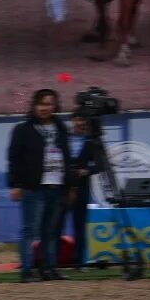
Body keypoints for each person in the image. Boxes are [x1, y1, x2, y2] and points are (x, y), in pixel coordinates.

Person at [7, 89, 74, 282]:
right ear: (34, 105)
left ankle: (49, 268)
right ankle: (27, 271)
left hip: (56, 186)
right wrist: (15, 184)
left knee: (51, 231)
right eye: (41, 104)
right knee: (30, 229)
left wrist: (70, 186)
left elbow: (68, 158)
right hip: (32, 187)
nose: (45, 108)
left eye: (49, 104)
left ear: (55, 106)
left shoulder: (61, 128)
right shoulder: (23, 129)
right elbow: (14, 158)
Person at [60, 111, 105, 270]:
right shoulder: (63, 138)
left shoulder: (91, 141)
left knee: (80, 227)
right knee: (56, 225)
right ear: (72, 120)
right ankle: (53, 261)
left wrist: (85, 171)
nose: (79, 123)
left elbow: (100, 165)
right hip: (62, 188)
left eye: (82, 120)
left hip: (82, 188)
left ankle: (79, 262)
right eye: (77, 119)